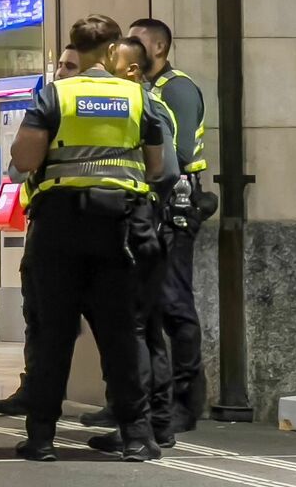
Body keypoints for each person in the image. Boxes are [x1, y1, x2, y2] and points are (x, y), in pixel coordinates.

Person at [8, 15, 165, 463]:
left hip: (59, 227)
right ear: (114, 49)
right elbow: (155, 167)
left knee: (53, 333)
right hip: (119, 231)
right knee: (120, 335)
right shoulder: (138, 96)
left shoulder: (55, 94)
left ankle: (41, 439)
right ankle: (136, 436)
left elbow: (24, 157)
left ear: (75, 47)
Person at [83, 36, 181, 453]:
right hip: (136, 228)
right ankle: (151, 423)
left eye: (111, 61)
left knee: (137, 332)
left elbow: (166, 170)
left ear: (132, 70)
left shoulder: (143, 104)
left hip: (141, 229)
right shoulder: (133, 101)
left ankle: (146, 425)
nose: (102, 69)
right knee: (143, 331)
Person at [129, 18, 213, 433]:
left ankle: (186, 401)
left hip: (175, 204)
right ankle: (140, 398)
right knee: (145, 307)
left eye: (138, 39)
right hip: (150, 204)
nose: (129, 45)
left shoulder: (175, 88)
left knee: (175, 304)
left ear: (159, 46)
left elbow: (175, 153)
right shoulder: (142, 89)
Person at [0, 44, 80, 417]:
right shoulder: (48, 107)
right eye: (59, 64)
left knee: (73, 325)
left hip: (78, 230)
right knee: (40, 319)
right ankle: (36, 392)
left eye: (69, 65)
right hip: (50, 229)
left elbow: (20, 165)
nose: (60, 71)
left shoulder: (56, 109)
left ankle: (45, 415)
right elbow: (15, 171)